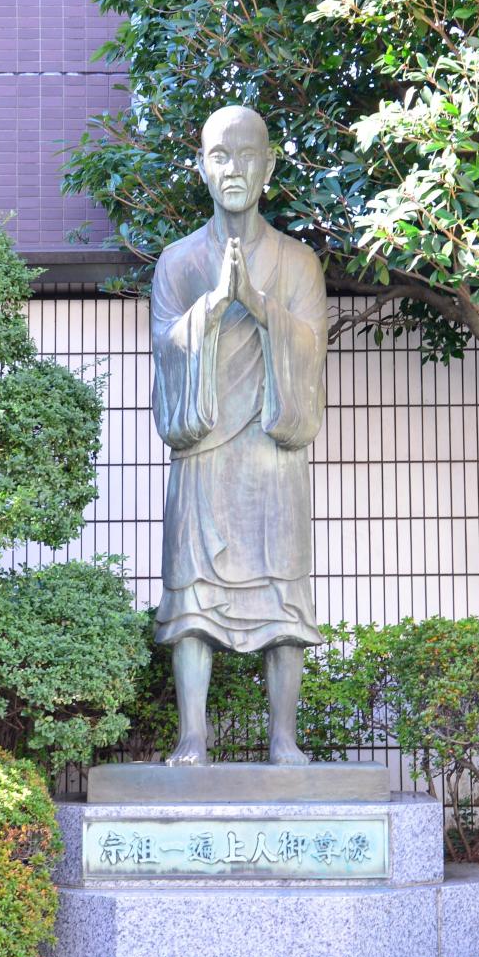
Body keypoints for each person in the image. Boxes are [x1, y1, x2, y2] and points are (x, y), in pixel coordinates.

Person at [150, 105, 328, 766]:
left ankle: (284, 736)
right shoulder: (177, 262)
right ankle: (191, 736)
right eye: (219, 155)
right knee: (193, 597)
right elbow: (165, 348)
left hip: (271, 451)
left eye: (246, 155)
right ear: (201, 165)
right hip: (204, 450)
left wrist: (256, 301)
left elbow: (310, 349)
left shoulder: (298, 262)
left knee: (285, 599)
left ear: (269, 166)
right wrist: (214, 304)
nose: (233, 168)